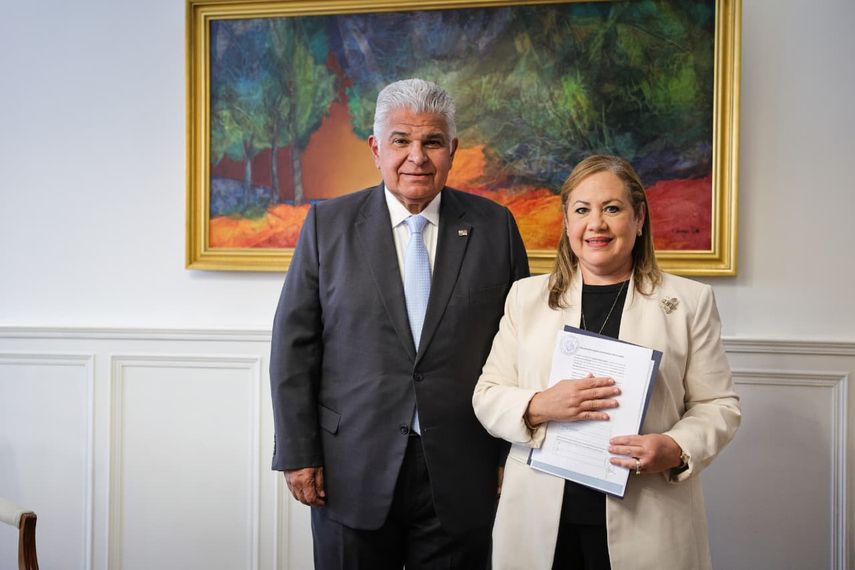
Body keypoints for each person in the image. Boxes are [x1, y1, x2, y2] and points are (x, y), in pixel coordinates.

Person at [270, 78, 529, 569]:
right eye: (401, 140)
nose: (417, 157)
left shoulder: (496, 227)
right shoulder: (327, 225)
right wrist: (298, 453)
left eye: (432, 142)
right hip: (349, 468)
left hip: (464, 469)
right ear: (376, 149)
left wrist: (508, 455)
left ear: (452, 150)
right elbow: (293, 348)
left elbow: (522, 349)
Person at [472, 154, 740, 570]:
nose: (596, 224)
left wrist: (675, 447)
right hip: (541, 519)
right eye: (582, 210)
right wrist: (539, 405)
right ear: (566, 222)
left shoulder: (689, 302)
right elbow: (487, 395)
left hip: (647, 517)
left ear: (639, 218)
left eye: (612, 209)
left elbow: (718, 405)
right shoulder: (526, 298)